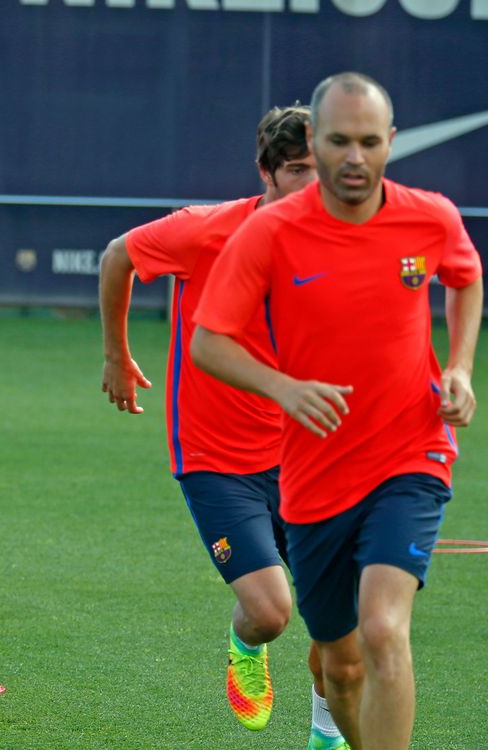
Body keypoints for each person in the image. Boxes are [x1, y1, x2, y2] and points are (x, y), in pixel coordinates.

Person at [192, 72, 481, 750]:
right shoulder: (271, 232)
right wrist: (283, 388)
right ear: (314, 140)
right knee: (341, 670)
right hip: (313, 476)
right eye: (340, 141)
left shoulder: (431, 216)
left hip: (411, 454)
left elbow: (465, 279)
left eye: (370, 142)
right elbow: (209, 342)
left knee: (382, 629)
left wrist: (461, 367)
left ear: (392, 142)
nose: (355, 158)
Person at [101, 105, 351, 749]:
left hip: (309, 454)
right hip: (217, 459)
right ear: (266, 172)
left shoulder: (341, 242)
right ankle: (245, 642)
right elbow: (117, 256)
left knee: (340, 619)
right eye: (297, 170)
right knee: (271, 612)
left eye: (320, 169)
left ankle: (326, 733)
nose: (312, 183)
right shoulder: (206, 230)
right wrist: (117, 355)